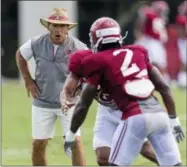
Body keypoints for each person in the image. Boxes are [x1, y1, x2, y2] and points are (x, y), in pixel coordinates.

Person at [64, 17, 184, 166]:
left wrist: (70, 133)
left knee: (118, 163)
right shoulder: (138, 51)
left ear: (96, 39)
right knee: (174, 164)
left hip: (133, 115)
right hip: (158, 114)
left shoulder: (95, 61)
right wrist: (174, 120)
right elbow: (164, 87)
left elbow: (83, 105)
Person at [16, 8, 87, 166]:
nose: (58, 29)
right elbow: (20, 55)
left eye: (62, 26)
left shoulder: (79, 47)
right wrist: (28, 80)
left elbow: (92, 67)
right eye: (54, 25)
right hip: (42, 102)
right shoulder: (36, 43)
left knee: (75, 143)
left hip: (69, 104)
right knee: (38, 144)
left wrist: (84, 86)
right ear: (48, 26)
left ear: (67, 28)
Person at [60, 67, 159, 165]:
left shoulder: (114, 62)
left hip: (127, 106)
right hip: (106, 109)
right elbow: (67, 91)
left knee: (147, 150)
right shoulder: (80, 70)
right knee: (103, 158)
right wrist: (66, 101)